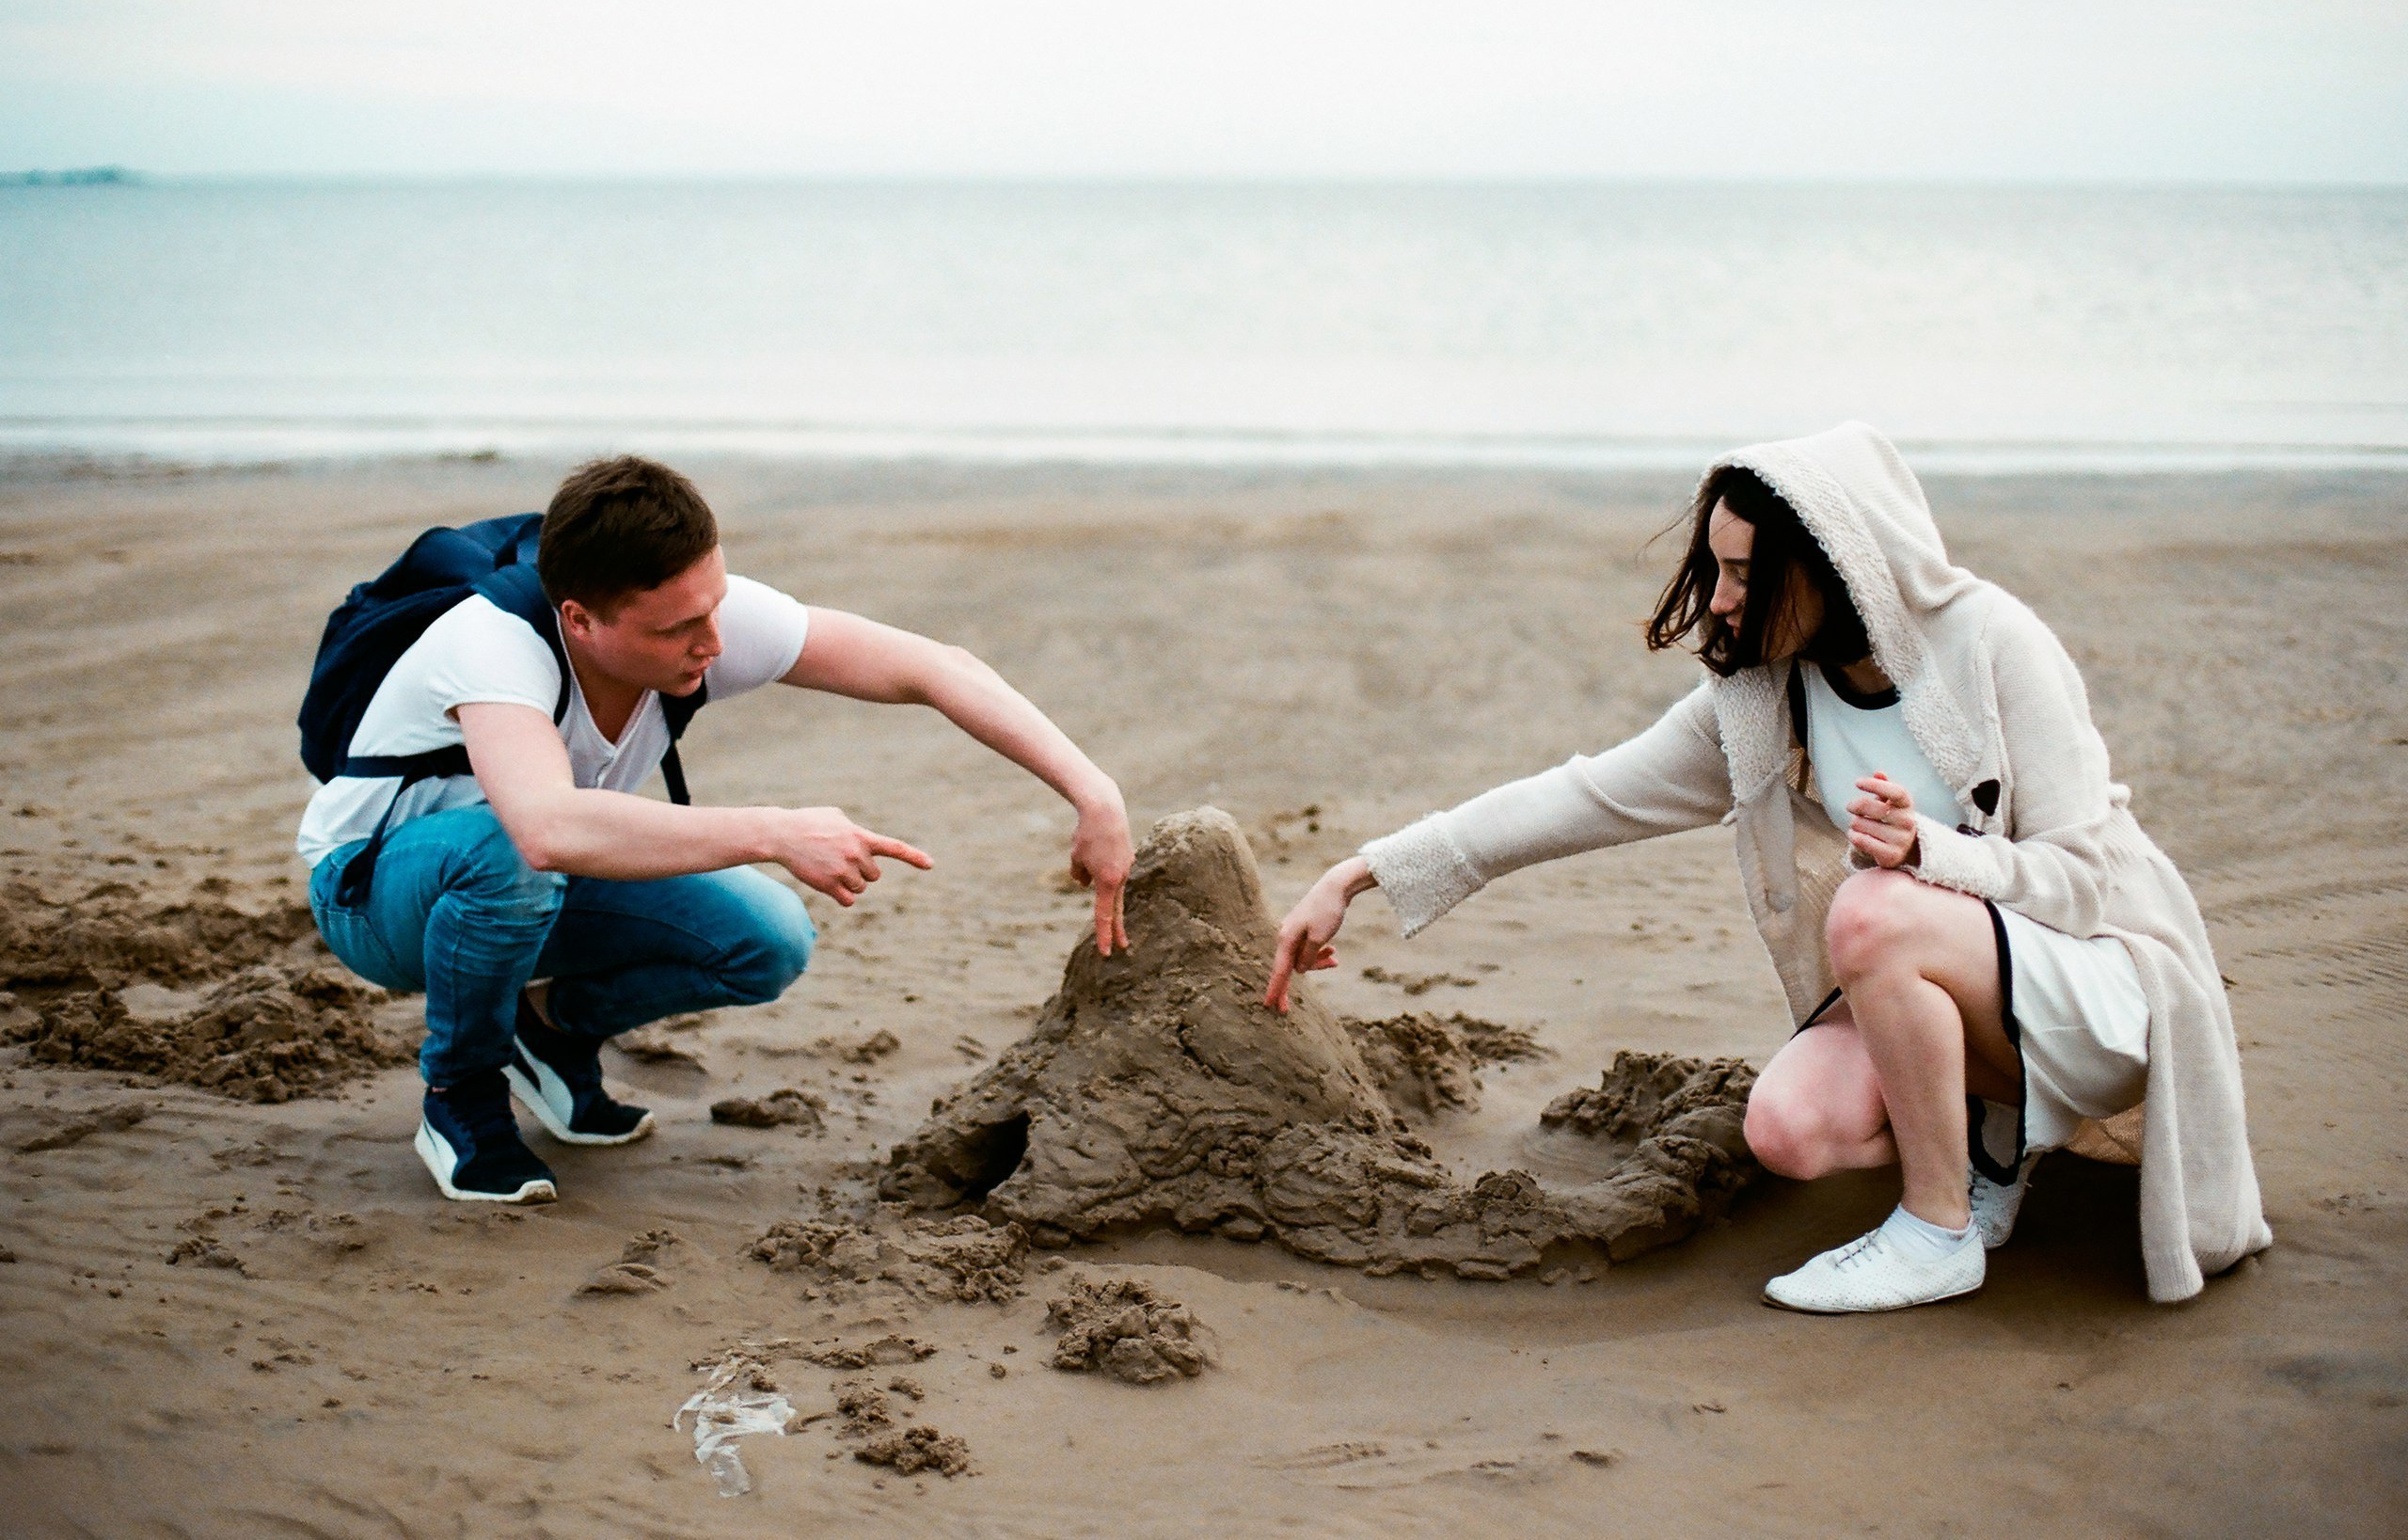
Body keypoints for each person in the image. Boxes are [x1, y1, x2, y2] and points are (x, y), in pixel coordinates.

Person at [1263, 421, 2268, 1310]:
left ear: (1834, 564)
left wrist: (1934, 852)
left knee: (1872, 909)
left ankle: (1937, 1231)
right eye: (1717, 569)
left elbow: (2084, 879)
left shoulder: (1992, 642)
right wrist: (1362, 872)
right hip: (1959, 988)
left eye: (1745, 573)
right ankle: (1986, 1138)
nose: (1721, 599)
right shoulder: (1762, 697)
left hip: (2106, 987)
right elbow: (1587, 795)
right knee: (1790, 1130)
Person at [299, 455, 1133, 1205]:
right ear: (580, 620)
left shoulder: (701, 620)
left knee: (767, 939)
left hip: (534, 878)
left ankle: (545, 1030)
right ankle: (462, 1096)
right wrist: (775, 832)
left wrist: (1092, 794)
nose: (714, 644)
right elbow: (546, 827)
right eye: (675, 630)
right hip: (375, 898)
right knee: (507, 852)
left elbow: (935, 667)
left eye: (716, 605)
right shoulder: (492, 643)